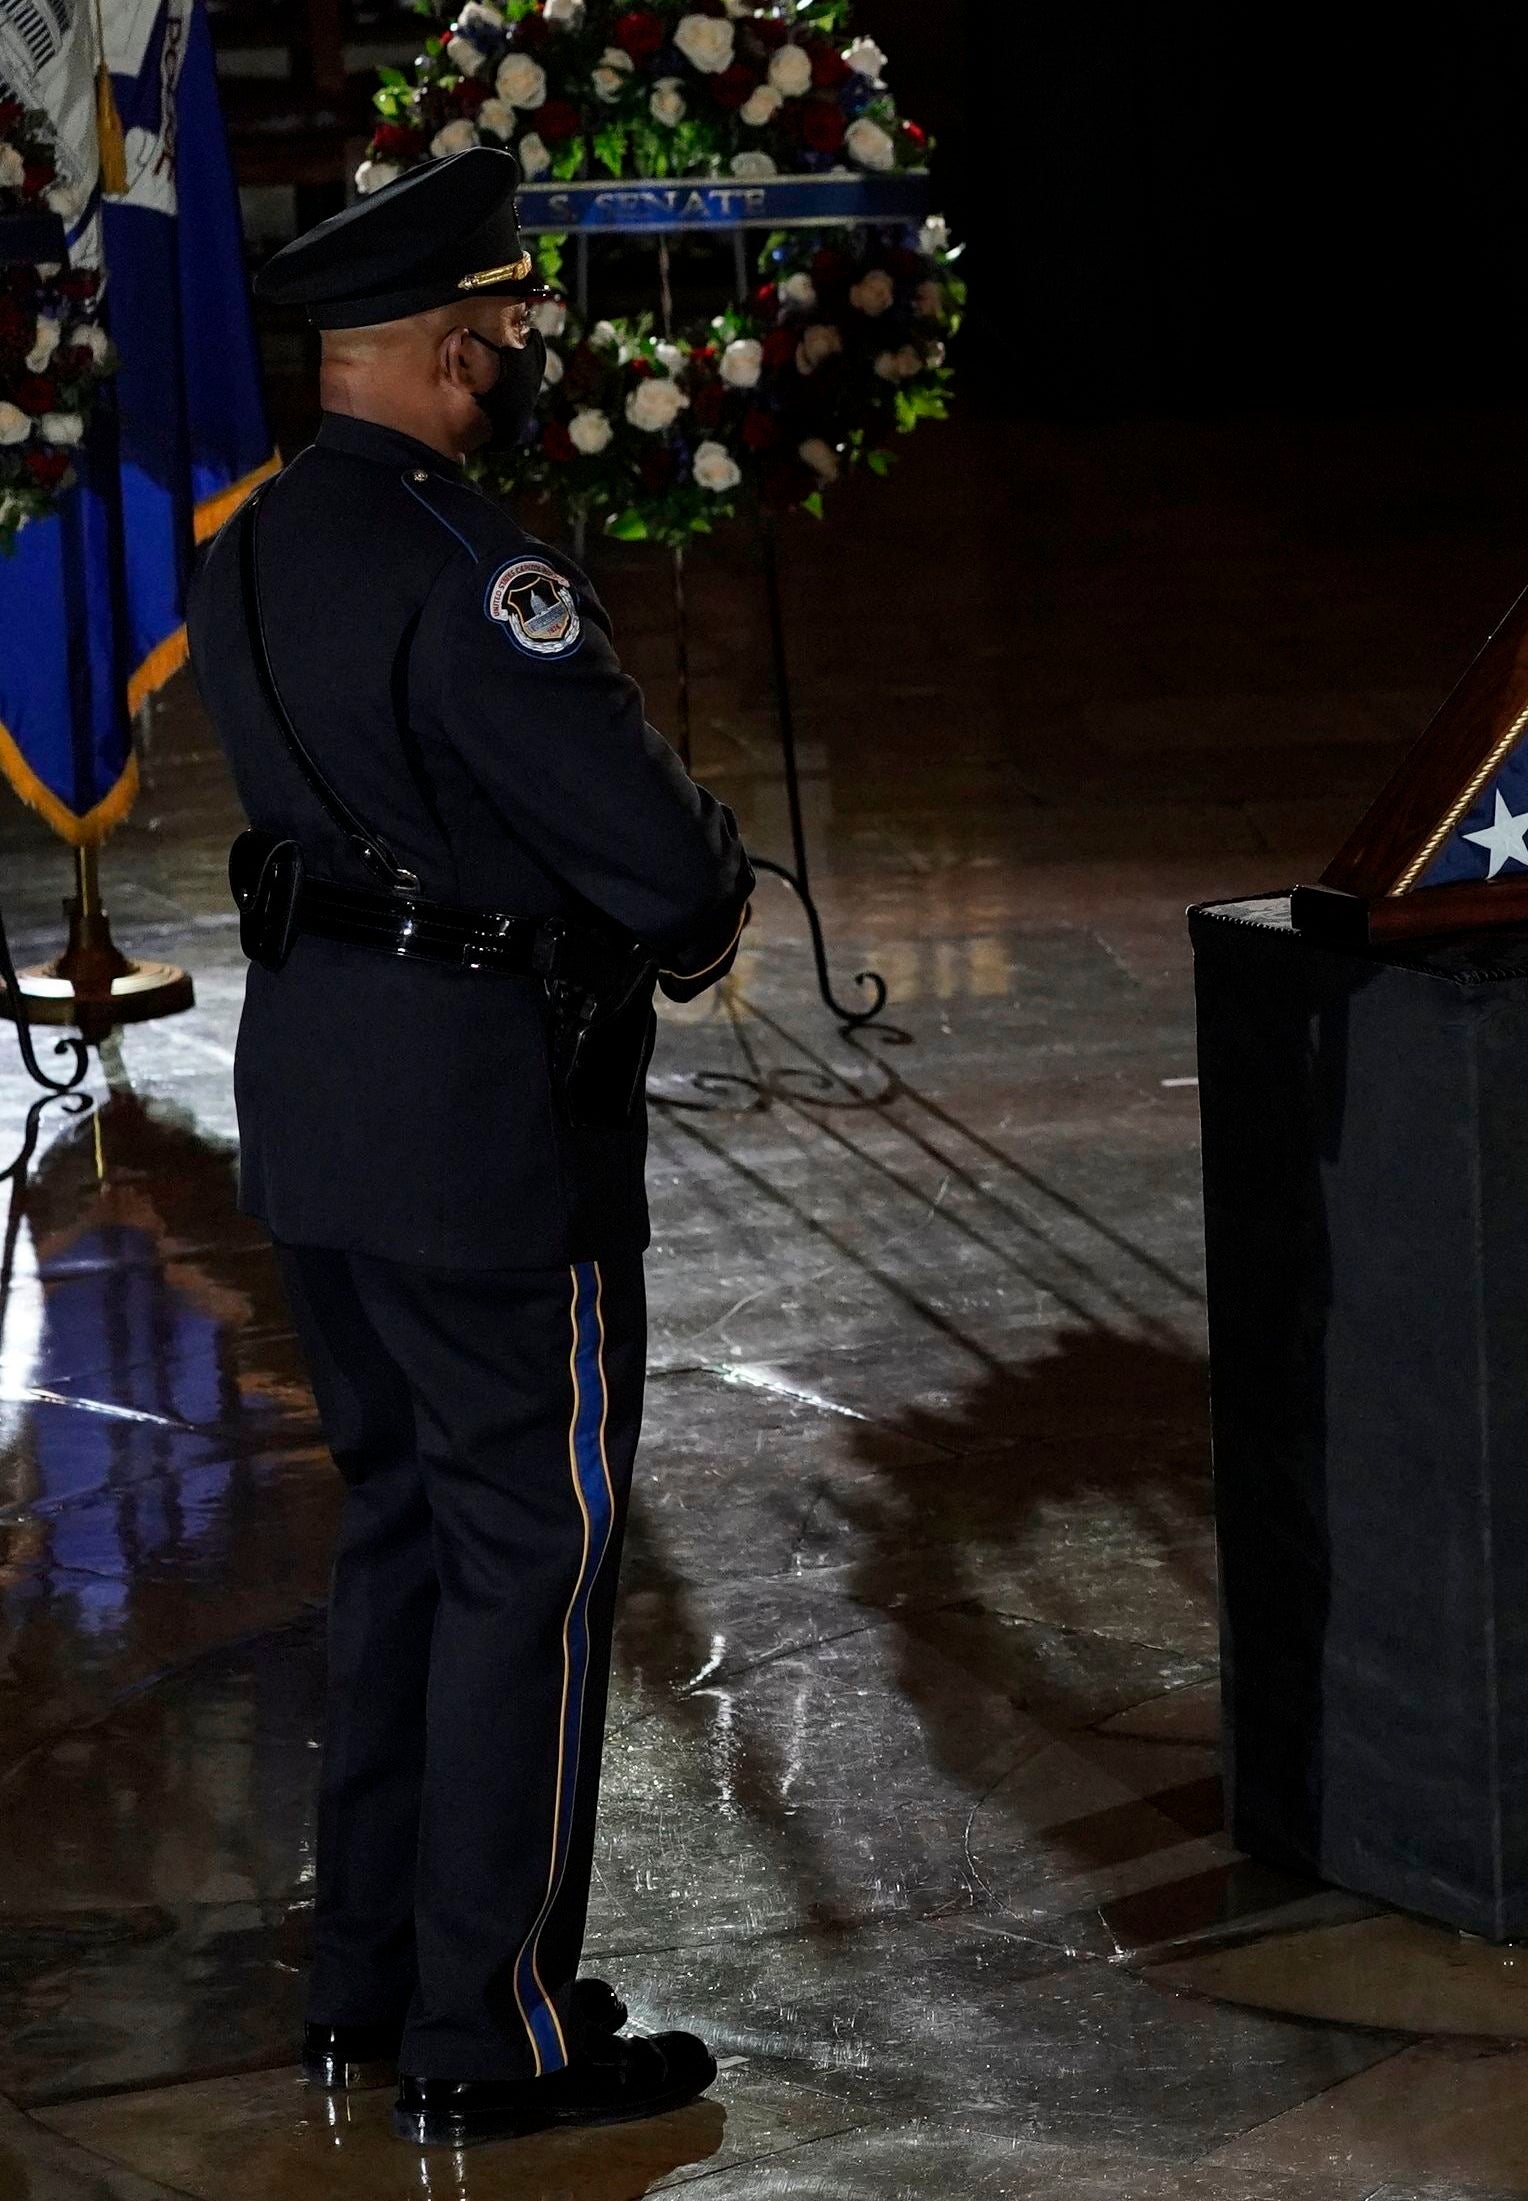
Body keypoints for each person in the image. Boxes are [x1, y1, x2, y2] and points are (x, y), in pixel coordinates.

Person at [201, 148, 752, 2145]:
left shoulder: (248, 548)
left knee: (408, 1537)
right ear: (450, 347)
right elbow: (649, 851)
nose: (521, 366)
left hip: (321, 1111)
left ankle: (371, 1983)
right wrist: (705, 892)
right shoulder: (472, 573)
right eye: (510, 337)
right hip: (486, 1135)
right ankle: (494, 2027)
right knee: (535, 1547)